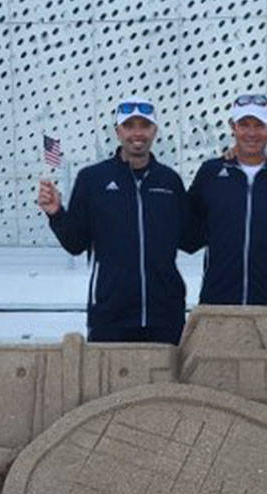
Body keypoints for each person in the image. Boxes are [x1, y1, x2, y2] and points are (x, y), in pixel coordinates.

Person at [37, 96, 192, 344]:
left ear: (155, 131)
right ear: (118, 131)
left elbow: (190, 237)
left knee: (165, 383)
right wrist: (56, 213)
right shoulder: (92, 179)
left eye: (144, 126)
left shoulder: (169, 181)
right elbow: (75, 243)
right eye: (129, 126)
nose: (137, 133)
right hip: (111, 315)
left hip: (165, 314)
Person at [187, 94, 267, 306]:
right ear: (232, 126)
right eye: (244, 125)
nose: (251, 133)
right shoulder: (211, 173)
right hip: (219, 298)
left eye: (259, 125)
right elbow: (188, 223)